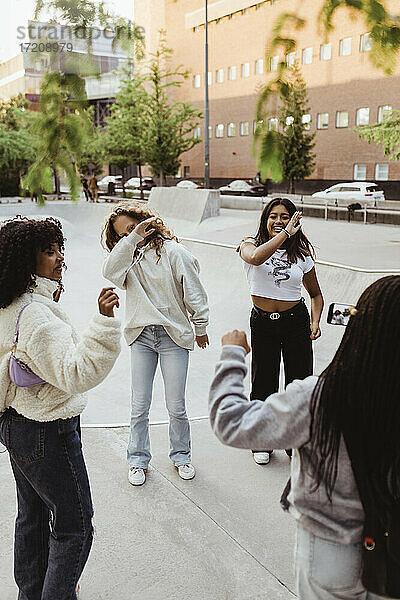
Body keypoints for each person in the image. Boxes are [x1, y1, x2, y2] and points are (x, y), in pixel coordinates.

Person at [209, 275, 400, 600]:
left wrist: (231, 356)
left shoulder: (318, 397)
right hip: (391, 549)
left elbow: (230, 422)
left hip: (328, 554)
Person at [0, 216, 121, 600]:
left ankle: (31, 594)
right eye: (48, 251)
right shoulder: (35, 315)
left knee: (32, 518)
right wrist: (103, 323)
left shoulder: (10, 303)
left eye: (59, 248)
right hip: (47, 430)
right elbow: (75, 373)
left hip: (16, 424)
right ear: (24, 260)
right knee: (75, 527)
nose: (59, 257)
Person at [101, 202, 209, 486]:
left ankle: (181, 456)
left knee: (176, 405)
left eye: (132, 227)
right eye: (123, 234)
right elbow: (109, 272)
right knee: (139, 405)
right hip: (141, 337)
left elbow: (195, 292)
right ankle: (137, 460)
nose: (129, 235)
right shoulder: (129, 259)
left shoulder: (175, 252)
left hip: (172, 337)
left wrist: (200, 327)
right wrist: (131, 240)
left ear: (145, 221)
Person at [237, 197, 323, 465]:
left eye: (284, 216)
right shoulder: (248, 244)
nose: (278, 221)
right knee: (263, 381)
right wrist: (285, 234)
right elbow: (255, 258)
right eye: (273, 216)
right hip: (262, 323)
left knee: (297, 383)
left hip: (295, 321)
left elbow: (316, 295)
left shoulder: (302, 255)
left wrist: (315, 321)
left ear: (293, 219)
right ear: (265, 220)